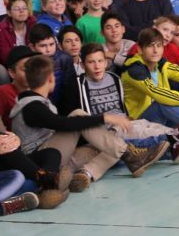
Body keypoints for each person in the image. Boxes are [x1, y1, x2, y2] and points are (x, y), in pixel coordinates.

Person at [10, 55, 169, 189]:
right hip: (43, 162)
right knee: (78, 115)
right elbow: (63, 124)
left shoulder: (37, 102)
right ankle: (132, 156)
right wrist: (105, 118)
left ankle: (85, 174)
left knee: (112, 144)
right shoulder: (31, 106)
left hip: (60, 159)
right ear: (51, 78)